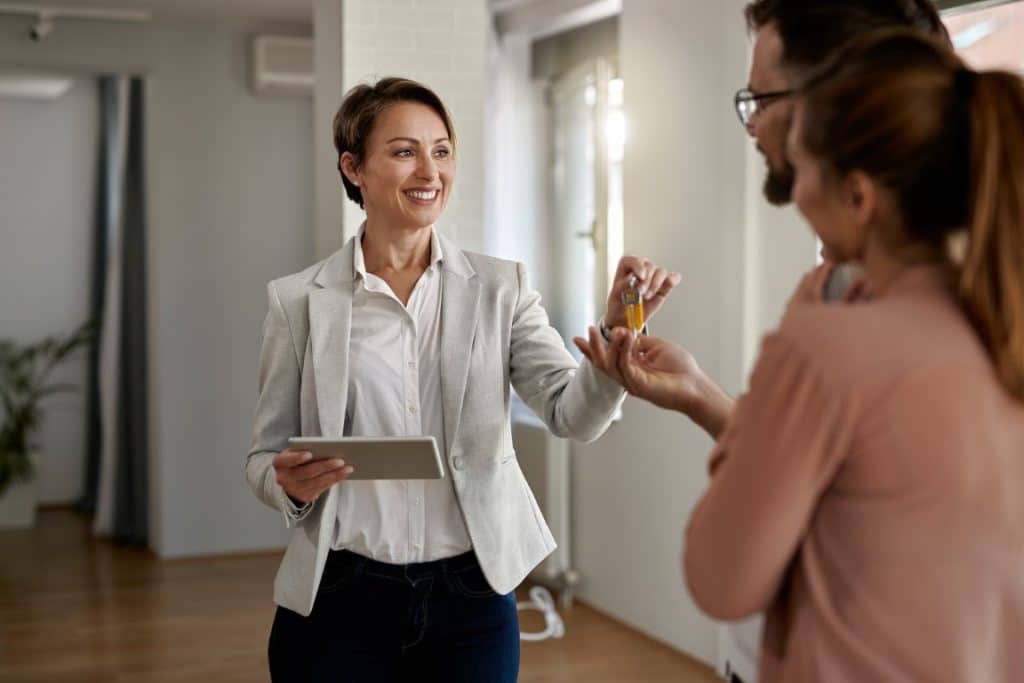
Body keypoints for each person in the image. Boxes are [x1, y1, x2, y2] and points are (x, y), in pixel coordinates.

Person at [583, 30, 1024, 681]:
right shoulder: (998, 318)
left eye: (801, 153)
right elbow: (866, 492)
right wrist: (704, 393)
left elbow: (719, 577)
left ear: (858, 195)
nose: (765, 134)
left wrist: (799, 340)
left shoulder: (827, 341)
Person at [245, 77, 680, 682]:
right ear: (353, 167)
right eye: (404, 151)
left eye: (442, 150)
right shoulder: (298, 302)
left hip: (470, 599)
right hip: (341, 596)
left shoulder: (503, 289)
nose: (430, 170)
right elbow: (265, 455)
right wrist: (285, 483)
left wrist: (611, 339)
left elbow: (570, 413)